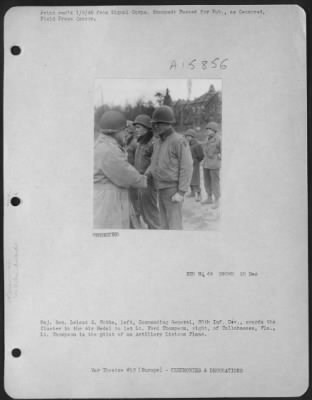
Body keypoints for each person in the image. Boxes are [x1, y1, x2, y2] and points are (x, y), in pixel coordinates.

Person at [93, 110, 147, 229]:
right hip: (107, 202)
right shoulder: (108, 150)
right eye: (124, 130)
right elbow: (127, 176)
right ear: (115, 131)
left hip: (109, 198)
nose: (125, 134)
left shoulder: (106, 145)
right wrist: (145, 180)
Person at [147, 105, 193, 230]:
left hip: (173, 190)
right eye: (154, 123)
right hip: (160, 188)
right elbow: (154, 163)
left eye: (159, 123)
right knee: (164, 225)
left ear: (168, 123)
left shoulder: (178, 141)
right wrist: (147, 175)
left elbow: (187, 167)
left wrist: (181, 191)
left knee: (174, 225)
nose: (155, 126)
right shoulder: (158, 141)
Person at [133, 114, 160, 229]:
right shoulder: (141, 141)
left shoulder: (153, 142)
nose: (136, 129)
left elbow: (155, 162)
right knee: (144, 211)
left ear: (147, 128)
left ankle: (157, 232)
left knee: (151, 212)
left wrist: (145, 176)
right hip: (140, 181)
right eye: (135, 127)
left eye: (138, 127)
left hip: (148, 182)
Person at [202, 121, 221, 208]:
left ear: (214, 130)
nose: (208, 131)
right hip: (206, 164)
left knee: (215, 182)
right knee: (207, 181)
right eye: (207, 129)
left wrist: (218, 157)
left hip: (214, 164)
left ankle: (217, 200)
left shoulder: (219, 139)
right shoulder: (207, 139)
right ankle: (209, 197)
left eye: (210, 129)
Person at [184, 128, 204, 202]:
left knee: (196, 179)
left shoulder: (197, 145)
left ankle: (198, 194)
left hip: (195, 163)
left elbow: (201, 155)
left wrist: (196, 161)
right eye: (186, 136)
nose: (187, 138)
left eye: (188, 136)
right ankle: (192, 192)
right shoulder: (187, 144)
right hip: (188, 164)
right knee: (190, 178)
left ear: (192, 136)